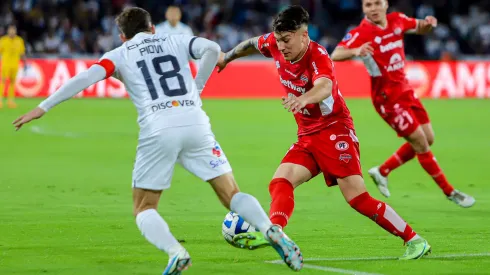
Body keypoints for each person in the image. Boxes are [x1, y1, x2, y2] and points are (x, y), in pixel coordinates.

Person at [12, 7, 303, 273]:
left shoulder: (120, 53)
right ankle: (268, 228)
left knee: (144, 207)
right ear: (153, 28)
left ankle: (176, 252)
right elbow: (213, 49)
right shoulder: (173, 40)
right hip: (195, 121)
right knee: (231, 194)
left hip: (158, 127)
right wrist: (196, 88)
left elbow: (85, 78)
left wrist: (43, 107)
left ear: (123, 36)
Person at [217, 5, 431, 260]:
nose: (282, 46)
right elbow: (253, 43)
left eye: (287, 40)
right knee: (280, 181)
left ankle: (414, 240)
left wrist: (303, 99)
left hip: (334, 131)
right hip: (307, 135)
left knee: (357, 198)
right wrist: (228, 56)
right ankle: (277, 234)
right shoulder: (274, 43)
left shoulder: (318, 56)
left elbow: (324, 87)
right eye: (279, 40)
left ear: (304, 35)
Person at [330, 0, 475, 207]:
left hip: (405, 90)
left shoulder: (397, 20)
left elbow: (419, 27)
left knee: (429, 138)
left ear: (385, 4)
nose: (373, 9)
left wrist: (429, 23)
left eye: (377, 4)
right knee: (421, 143)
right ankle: (450, 191)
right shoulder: (360, 32)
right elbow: (336, 53)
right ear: (363, 8)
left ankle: (382, 171)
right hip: (387, 99)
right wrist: (356, 51)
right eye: (368, 5)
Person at [0, 24, 27, 108]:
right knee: (2, 82)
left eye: (13, 30)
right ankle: (0, 100)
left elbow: (22, 52)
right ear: (8, 31)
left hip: (15, 64)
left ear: (15, 31)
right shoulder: (3, 40)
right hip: (5, 64)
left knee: (12, 82)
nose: (12, 31)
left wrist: (25, 62)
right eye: (10, 30)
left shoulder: (19, 40)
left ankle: (10, 101)